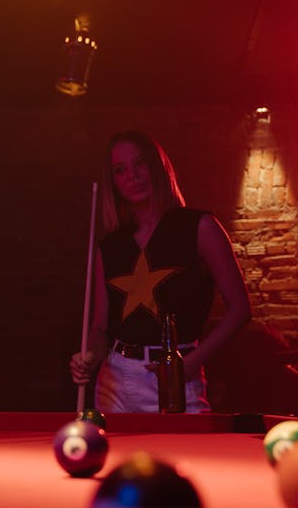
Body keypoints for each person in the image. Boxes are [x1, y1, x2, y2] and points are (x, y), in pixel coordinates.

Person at [70, 131, 251, 412]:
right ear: (113, 182)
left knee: (186, 455)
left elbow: (240, 308)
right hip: (116, 380)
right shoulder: (110, 245)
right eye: (120, 170)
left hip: (177, 374)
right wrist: (88, 357)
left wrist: (193, 362)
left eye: (140, 163)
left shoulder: (200, 226)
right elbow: (100, 327)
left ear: (158, 166)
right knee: (114, 456)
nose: (133, 175)